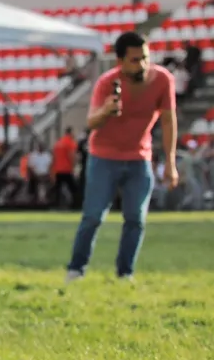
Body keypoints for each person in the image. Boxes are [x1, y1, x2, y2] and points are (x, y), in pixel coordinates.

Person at [65, 31, 178, 283]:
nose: (143, 65)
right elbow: (91, 122)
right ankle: (76, 269)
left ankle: (125, 273)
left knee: (136, 218)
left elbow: (169, 121)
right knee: (93, 217)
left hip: (139, 158)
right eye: (135, 60)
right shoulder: (106, 83)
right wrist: (106, 110)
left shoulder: (163, 80)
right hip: (103, 157)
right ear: (120, 61)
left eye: (145, 58)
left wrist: (170, 163)